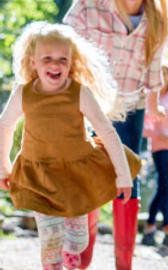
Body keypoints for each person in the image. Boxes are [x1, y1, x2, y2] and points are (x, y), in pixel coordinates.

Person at [0, 22, 141, 270]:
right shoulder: (23, 93)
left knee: (77, 241)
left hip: (76, 177)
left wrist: (123, 175)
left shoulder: (79, 93)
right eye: (47, 59)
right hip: (39, 176)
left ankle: (70, 254)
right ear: (33, 62)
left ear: (72, 62)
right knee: (50, 237)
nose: (55, 65)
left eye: (62, 59)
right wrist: (4, 167)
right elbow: (4, 127)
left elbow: (107, 132)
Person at [63, 0, 168, 268]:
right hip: (90, 103)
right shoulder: (89, 6)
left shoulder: (156, 17)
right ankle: (82, 255)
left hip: (130, 106)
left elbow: (153, 63)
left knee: (128, 172)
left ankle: (124, 261)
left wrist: (152, 104)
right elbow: (62, 41)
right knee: (90, 174)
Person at [141, 63, 168, 249]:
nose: (164, 78)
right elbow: (143, 129)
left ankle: (150, 228)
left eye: (167, 74)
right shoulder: (152, 98)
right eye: (161, 75)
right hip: (160, 148)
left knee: (164, 188)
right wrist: (159, 136)